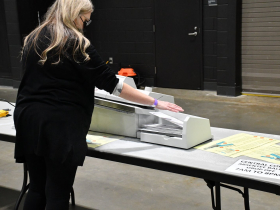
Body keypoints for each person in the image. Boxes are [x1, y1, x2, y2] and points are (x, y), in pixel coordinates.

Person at [14, 0, 184, 209]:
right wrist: (155, 102)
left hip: (27, 117)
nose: (84, 25)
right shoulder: (76, 43)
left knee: (37, 187)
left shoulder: (33, 37)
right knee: (58, 192)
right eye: (84, 19)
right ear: (74, 14)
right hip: (59, 124)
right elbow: (113, 85)